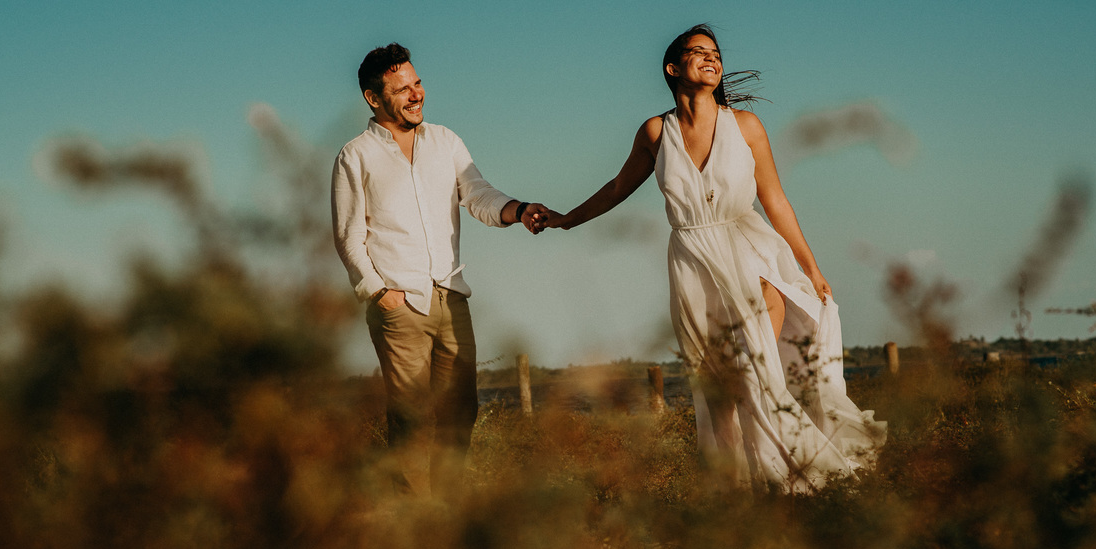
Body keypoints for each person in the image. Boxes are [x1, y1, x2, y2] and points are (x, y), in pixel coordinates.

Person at [543, 25, 885, 490]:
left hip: (751, 250)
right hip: (692, 263)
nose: (711, 59)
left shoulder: (744, 126)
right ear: (672, 67)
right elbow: (618, 188)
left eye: (716, 53)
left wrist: (811, 267)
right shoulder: (654, 132)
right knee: (718, 390)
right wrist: (567, 220)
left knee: (760, 374)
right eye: (698, 52)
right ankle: (737, 495)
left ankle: (802, 481)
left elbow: (775, 199)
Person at [332, 42, 551, 496]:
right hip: (397, 303)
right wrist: (379, 293)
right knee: (410, 414)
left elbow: (479, 195)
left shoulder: (446, 141)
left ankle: (448, 511)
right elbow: (348, 236)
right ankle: (412, 519)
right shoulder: (355, 156)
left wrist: (521, 209)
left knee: (459, 408)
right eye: (402, 89)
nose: (416, 95)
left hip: (452, 296)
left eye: (417, 83)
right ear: (374, 99)